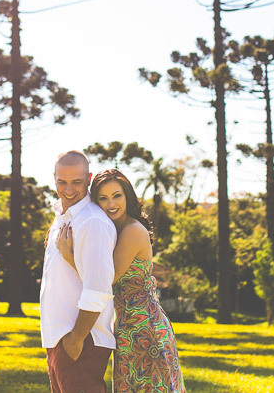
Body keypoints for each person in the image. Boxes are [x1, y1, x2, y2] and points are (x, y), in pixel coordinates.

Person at [58, 168, 186, 392]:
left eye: (117, 195)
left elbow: (107, 279)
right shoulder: (112, 229)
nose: (111, 204)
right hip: (128, 327)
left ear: (127, 196)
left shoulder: (132, 231)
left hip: (146, 328)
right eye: (103, 198)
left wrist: (70, 257)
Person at [40, 150, 118, 393]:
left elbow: (98, 288)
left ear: (89, 178)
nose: (69, 189)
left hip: (82, 342)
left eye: (76, 182)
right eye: (62, 182)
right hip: (59, 340)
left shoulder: (92, 221)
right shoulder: (62, 217)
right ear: (54, 178)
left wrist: (75, 340)